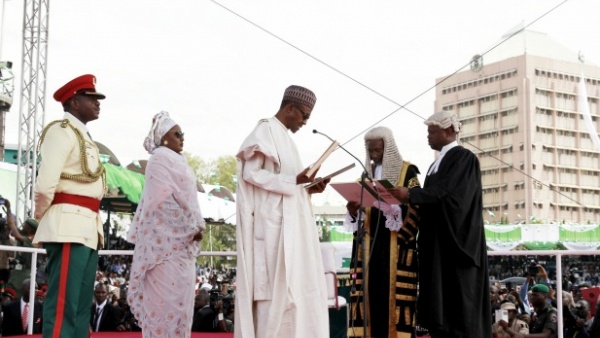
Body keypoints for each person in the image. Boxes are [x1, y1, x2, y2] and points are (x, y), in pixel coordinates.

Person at [235, 85, 329, 338]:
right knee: (276, 296)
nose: (305, 122)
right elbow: (251, 173)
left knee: (295, 292)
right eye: (304, 116)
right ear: (290, 108)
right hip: (272, 229)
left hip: (291, 227)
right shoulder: (265, 130)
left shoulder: (286, 138)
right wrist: (293, 181)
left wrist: (308, 189)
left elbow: (288, 183)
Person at [390, 110, 491, 338]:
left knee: (457, 305)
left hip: (454, 244)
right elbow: (435, 195)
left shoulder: (463, 157)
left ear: (448, 131)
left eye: (432, 132)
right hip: (437, 242)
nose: (429, 137)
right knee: (438, 304)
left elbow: (450, 194)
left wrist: (412, 194)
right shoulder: (437, 163)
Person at [33, 74, 107, 338]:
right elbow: (45, 186)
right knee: (64, 302)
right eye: (92, 98)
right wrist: (41, 220)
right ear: (74, 102)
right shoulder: (61, 131)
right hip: (66, 225)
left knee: (79, 308)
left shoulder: (84, 136)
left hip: (86, 228)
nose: (98, 103)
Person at [127, 111, 205, 338]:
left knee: (182, 307)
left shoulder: (180, 161)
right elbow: (159, 206)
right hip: (163, 249)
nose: (182, 138)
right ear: (163, 138)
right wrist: (190, 228)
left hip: (183, 250)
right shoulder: (159, 160)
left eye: (183, 134)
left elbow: (189, 203)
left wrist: (196, 226)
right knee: (163, 307)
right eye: (177, 134)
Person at [344, 126, 420, 338]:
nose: (373, 154)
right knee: (369, 306)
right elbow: (358, 221)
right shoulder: (363, 177)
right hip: (368, 252)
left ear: (388, 148)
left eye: (377, 150)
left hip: (394, 251)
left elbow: (417, 207)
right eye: (370, 150)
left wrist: (395, 209)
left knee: (393, 308)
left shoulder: (407, 172)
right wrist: (352, 213)